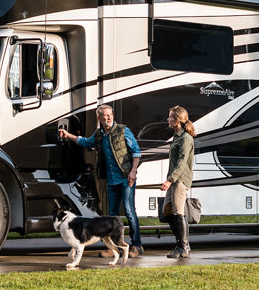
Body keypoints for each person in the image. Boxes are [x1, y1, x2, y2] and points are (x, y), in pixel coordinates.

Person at [58, 105, 144, 257]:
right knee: (112, 215)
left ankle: (136, 245)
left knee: (130, 212)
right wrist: (67, 135)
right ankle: (113, 248)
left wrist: (133, 171)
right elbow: (84, 142)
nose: (108, 118)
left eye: (109, 115)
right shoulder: (99, 134)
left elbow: (136, 152)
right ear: (98, 118)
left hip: (126, 178)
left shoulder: (123, 130)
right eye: (104, 116)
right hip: (112, 181)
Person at [159, 105, 196, 259]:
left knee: (178, 212)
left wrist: (170, 180)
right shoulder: (177, 136)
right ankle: (181, 244)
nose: (168, 119)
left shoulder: (186, 138)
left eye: (170, 117)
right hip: (174, 179)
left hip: (179, 180)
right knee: (167, 212)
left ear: (177, 120)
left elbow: (181, 162)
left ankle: (183, 247)